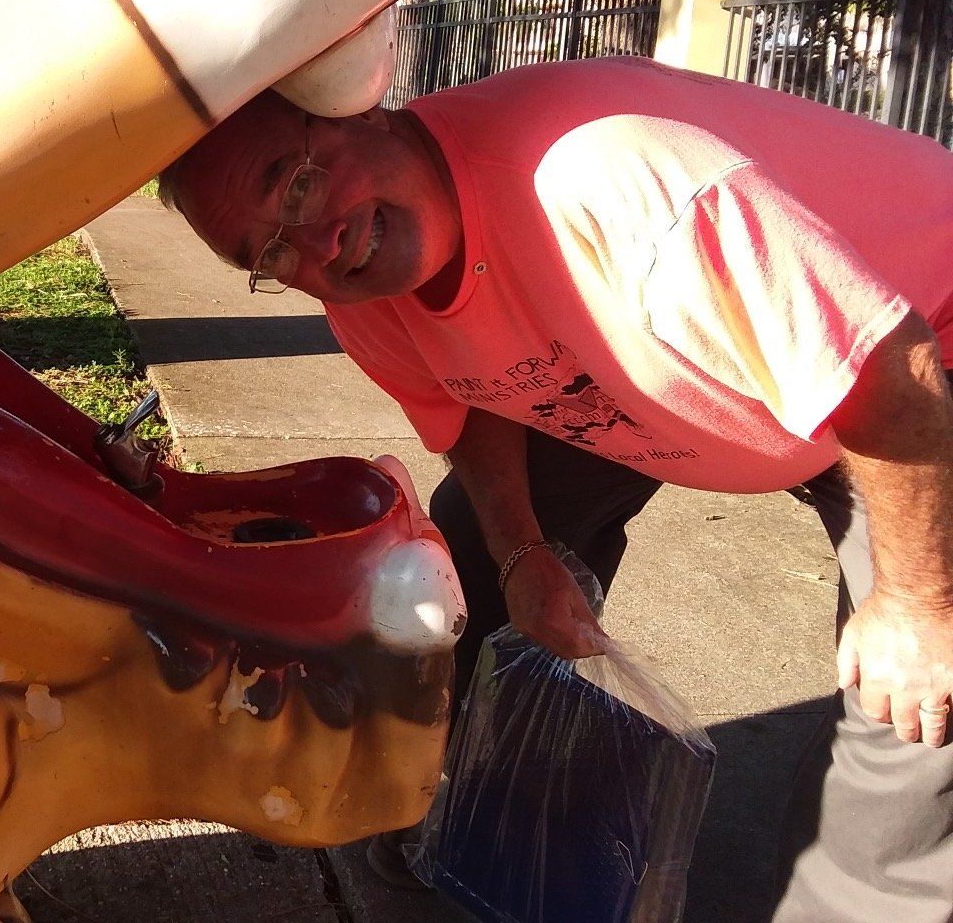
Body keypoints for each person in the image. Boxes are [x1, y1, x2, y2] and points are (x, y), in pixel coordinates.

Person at [158, 55, 953, 922]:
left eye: (298, 185)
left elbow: (892, 377)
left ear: (359, 110)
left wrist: (920, 605)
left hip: (916, 363)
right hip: (714, 364)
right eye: (271, 250)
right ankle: (453, 814)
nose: (318, 244)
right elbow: (470, 402)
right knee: (464, 558)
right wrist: (523, 556)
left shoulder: (605, 179)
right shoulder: (362, 292)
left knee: (918, 701)